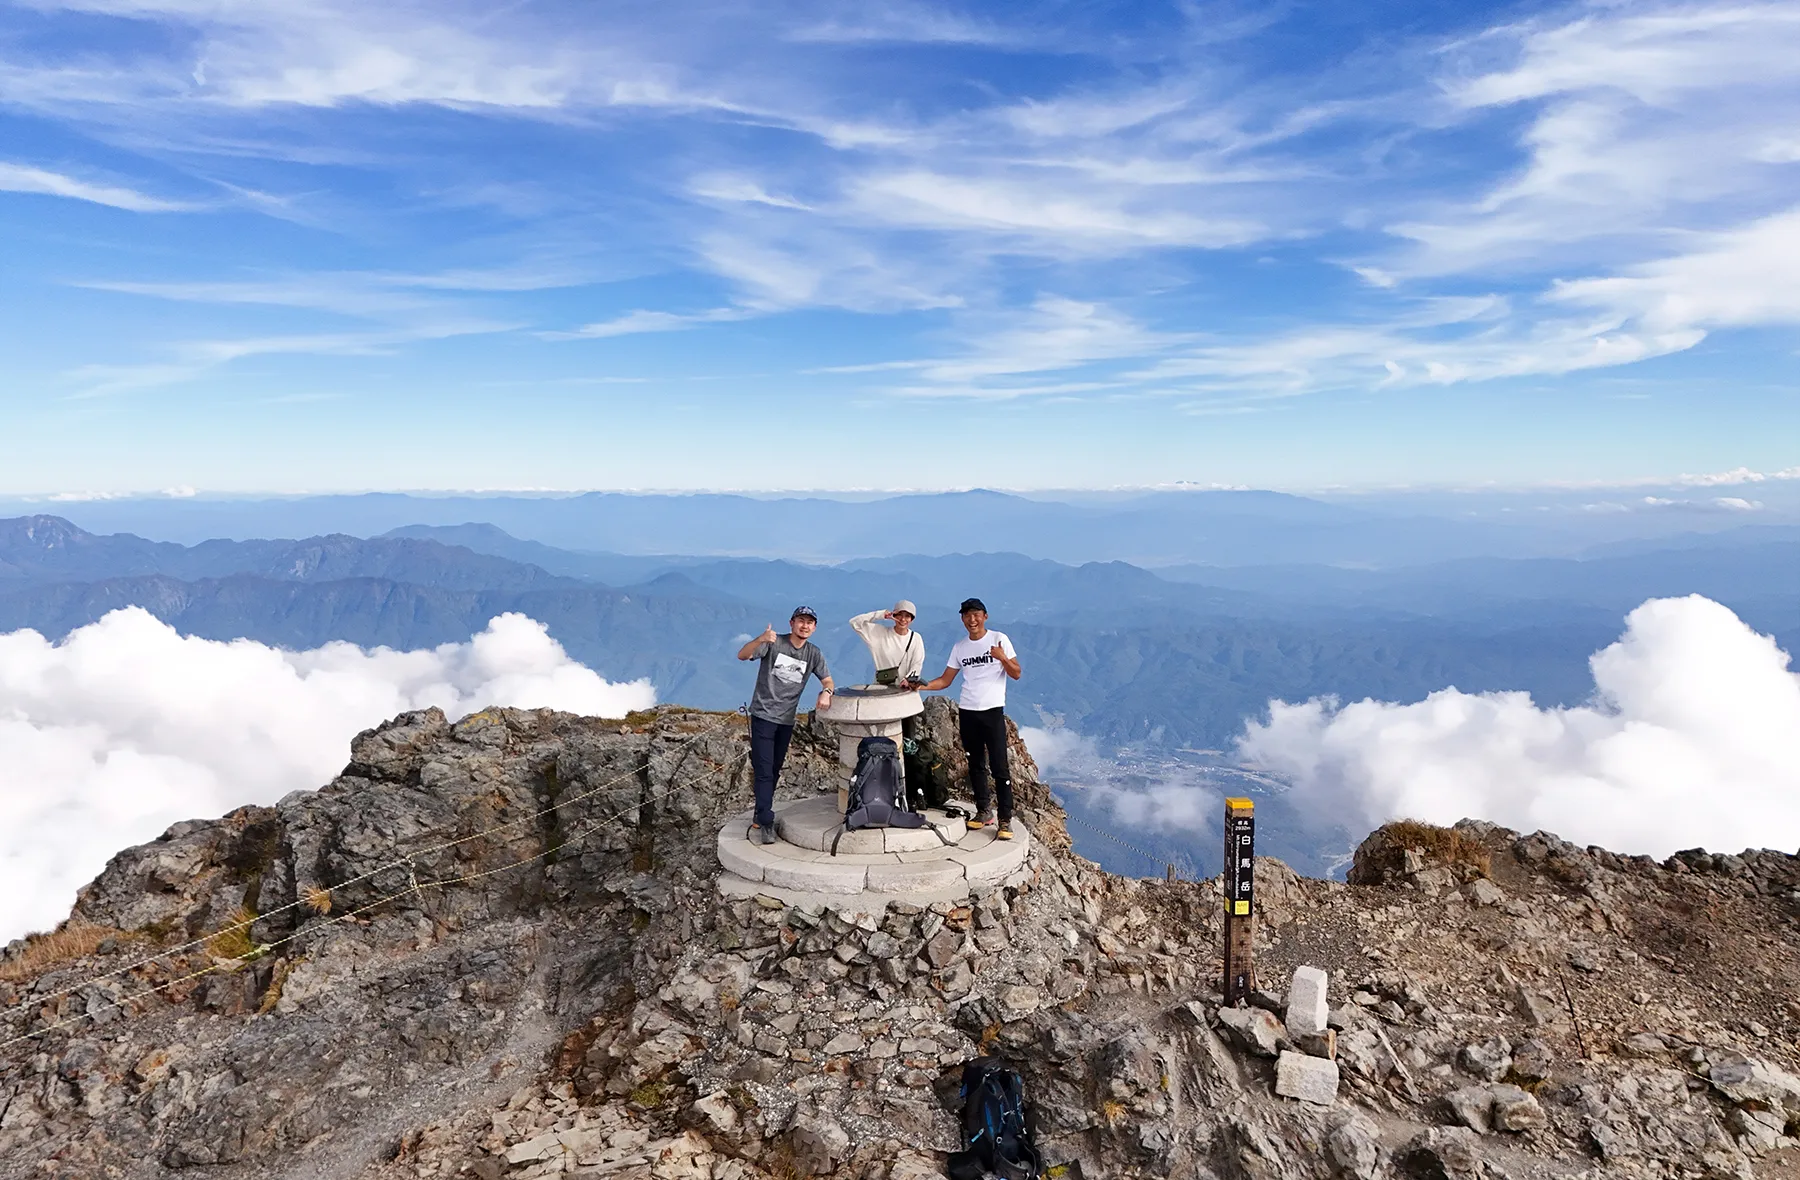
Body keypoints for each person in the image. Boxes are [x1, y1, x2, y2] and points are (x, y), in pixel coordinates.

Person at [919, 598, 1021, 839]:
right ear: (962, 619)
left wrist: (1002, 657)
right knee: (975, 765)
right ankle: (984, 811)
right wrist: (919, 687)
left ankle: (1005, 819)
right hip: (967, 711)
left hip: (993, 710)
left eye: (976, 614)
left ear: (985, 616)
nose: (972, 619)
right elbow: (946, 680)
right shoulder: (960, 647)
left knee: (999, 766)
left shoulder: (999, 639)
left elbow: (1016, 673)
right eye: (967, 615)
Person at [736, 607, 834, 844]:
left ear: (815, 627)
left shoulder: (813, 654)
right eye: (801, 621)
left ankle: (761, 811)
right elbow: (742, 655)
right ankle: (766, 822)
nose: (805, 626)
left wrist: (826, 692)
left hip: (786, 720)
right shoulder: (773, 642)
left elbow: (828, 679)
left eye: (810, 622)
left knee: (774, 769)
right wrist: (761, 638)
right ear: (791, 623)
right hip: (762, 717)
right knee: (764, 770)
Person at [849, 600, 926, 686]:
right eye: (899, 614)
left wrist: (909, 680)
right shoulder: (879, 633)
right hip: (881, 691)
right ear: (894, 615)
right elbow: (854, 622)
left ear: (912, 619)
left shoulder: (916, 638)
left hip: (906, 691)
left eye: (907, 616)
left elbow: (917, 663)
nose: (903, 619)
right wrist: (880, 615)